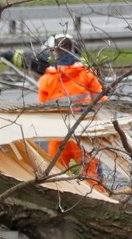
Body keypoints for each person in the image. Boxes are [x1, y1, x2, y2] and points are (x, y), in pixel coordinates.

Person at [37, 35, 107, 191]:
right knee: (91, 174)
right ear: (75, 49)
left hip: (58, 135)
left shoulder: (47, 79)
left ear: (54, 52)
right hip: (84, 133)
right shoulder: (86, 75)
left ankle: (66, 199)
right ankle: (100, 199)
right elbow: (101, 100)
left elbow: (41, 109)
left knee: (59, 176)